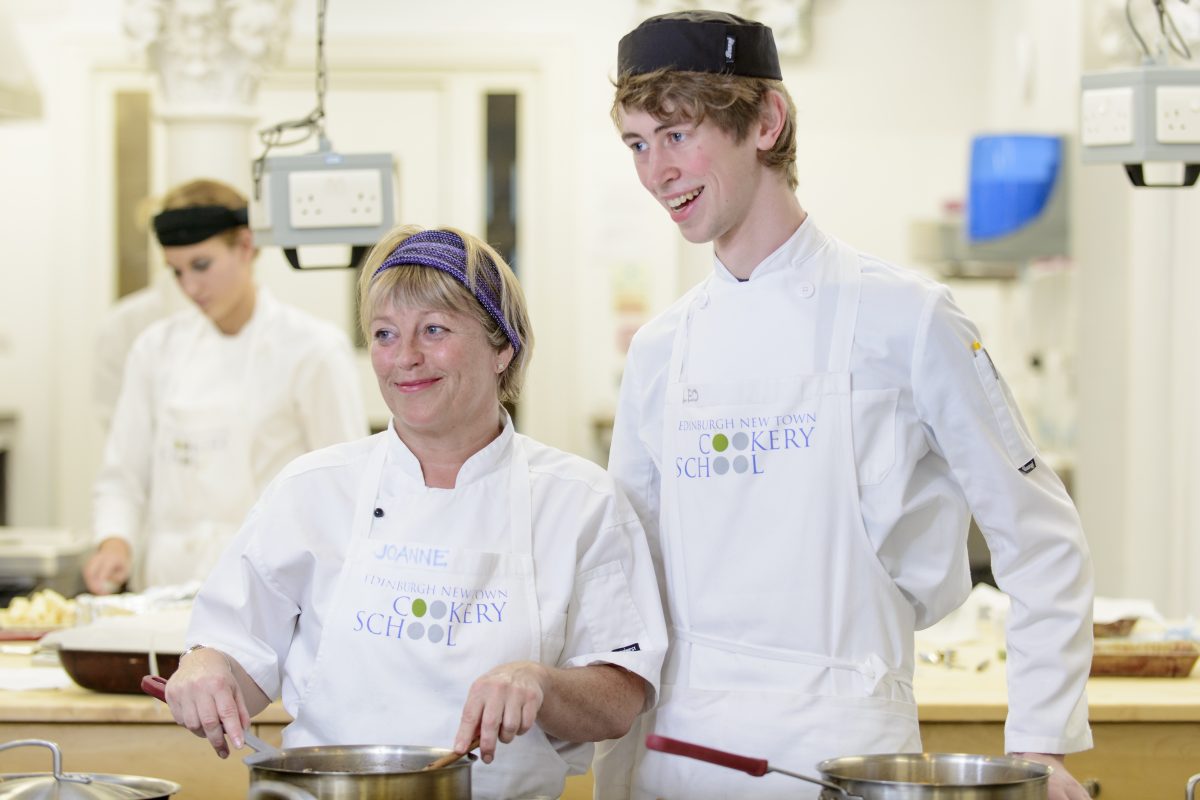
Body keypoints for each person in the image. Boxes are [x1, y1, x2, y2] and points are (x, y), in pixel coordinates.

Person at [596, 11, 1094, 800]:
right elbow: (621, 584)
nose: (656, 171)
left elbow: (1039, 536)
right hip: (680, 756)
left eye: (678, 134)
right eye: (636, 143)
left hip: (845, 757)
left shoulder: (908, 319)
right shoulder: (661, 352)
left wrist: (1041, 741)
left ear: (766, 120)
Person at [160, 225, 668, 800]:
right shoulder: (312, 491)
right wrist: (207, 671)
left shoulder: (580, 501)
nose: (404, 358)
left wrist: (541, 685)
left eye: (434, 330)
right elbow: (239, 664)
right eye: (384, 334)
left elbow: (619, 701)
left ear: (504, 346)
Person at [83, 178, 368, 594]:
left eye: (201, 265)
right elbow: (122, 476)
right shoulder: (156, 350)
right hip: (166, 589)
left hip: (270, 589)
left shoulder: (313, 350)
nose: (190, 287)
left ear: (246, 247)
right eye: (176, 271)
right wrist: (115, 542)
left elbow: (344, 490)